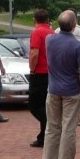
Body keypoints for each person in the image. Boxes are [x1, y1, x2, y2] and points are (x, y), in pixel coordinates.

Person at [43, 10, 80, 159]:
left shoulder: (49, 40)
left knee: (52, 126)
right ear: (74, 25)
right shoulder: (77, 45)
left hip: (53, 88)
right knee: (68, 127)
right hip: (71, 89)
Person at [27, 8, 52, 148]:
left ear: (34, 20)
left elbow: (34, 53)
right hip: (51, 73)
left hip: (40, 72)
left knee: (34, 105)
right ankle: (43, 136)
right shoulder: (52, 32)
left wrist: (32, 69)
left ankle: (50, 125)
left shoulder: (37, 32)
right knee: (44, 104)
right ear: (48, 20)